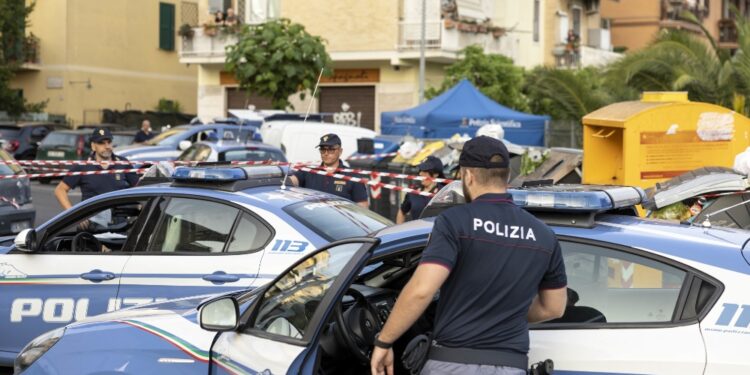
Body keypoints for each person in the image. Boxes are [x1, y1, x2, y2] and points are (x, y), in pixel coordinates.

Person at [371, 136, 568, 375]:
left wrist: (384, 341)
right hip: (511, 365)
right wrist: (503, 312)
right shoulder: (544, 234)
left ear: (468, 176)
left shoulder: (454, 222)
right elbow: (554, 308)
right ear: (506, 176)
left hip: (453, 363)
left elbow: (422, 290)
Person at [55, 127, 140, 210]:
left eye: (109, 142)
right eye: (101, 143)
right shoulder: (83, 166)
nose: (107, 146)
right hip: (94, 221)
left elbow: (139, 187)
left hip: (120, 221)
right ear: (93, 146)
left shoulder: (123, 163)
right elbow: (60, 190)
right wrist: (73, 214)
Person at [289, 133, 369, 208]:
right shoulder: (309, 172)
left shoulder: (352, 176)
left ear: (340, 151)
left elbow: (362, 208)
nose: (326, 153)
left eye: (331, 150)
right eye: (323, 150)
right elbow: (291, 181)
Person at [396, 156, 444, 224]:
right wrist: (399, 231)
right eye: (420, 170)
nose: (420, 173)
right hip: (417, 232)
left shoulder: (444, 192)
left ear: (436, 174)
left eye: (425, 171)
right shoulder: (413, 192)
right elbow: (402, 211)